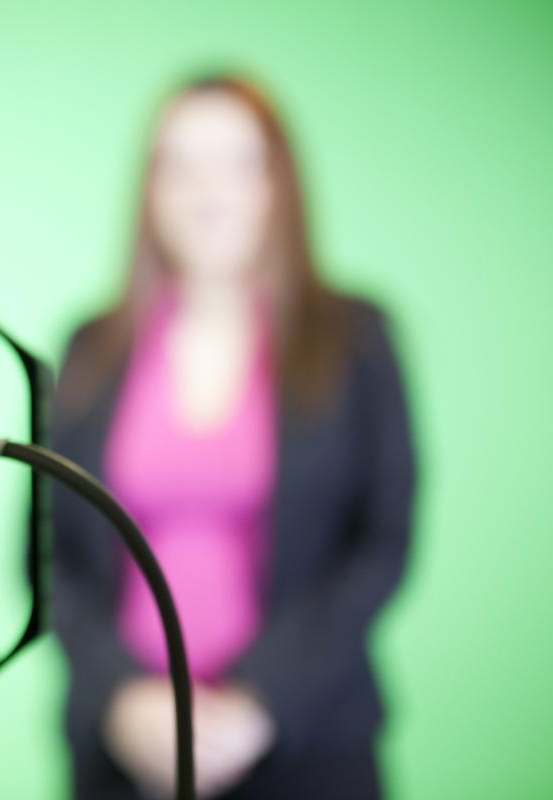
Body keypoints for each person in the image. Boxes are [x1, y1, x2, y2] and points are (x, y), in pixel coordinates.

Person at [52, 75, 416, 799]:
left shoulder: (356, 338)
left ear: (278, 184)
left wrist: (261, 701)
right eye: (179, 164)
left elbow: (381, 543)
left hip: (309, 743)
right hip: (123, 752)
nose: (206, 190)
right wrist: (123, 697)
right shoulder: (92, 348)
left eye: (236, 163)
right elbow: (50, 558)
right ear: (150, 188)